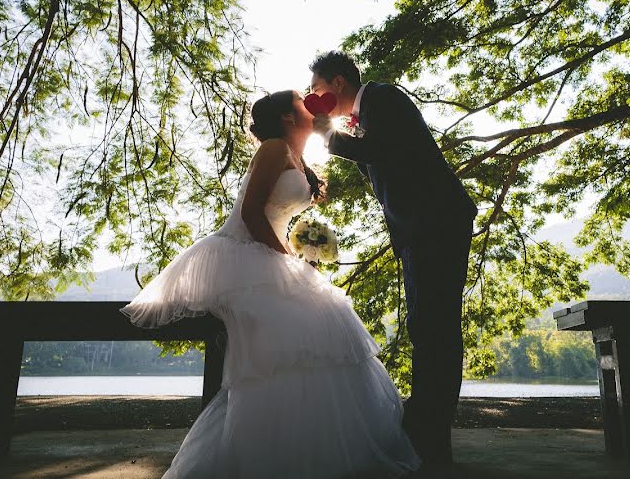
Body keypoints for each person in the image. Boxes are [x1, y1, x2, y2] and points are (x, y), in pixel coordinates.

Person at [119, 90, 421, 478]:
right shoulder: (274, 148)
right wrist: (286, 258)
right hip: (242, 252)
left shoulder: (298, 157)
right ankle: (269, 448)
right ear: (287, 118)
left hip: (271, 252)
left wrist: (303, 247)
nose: (308, 101)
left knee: (330, 318)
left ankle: (318, 442)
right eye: (300, 100)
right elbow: (250, 213)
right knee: (294, 329)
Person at [309, 51, 477, 471]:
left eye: (317, 88)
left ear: (339, 83)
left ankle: (432, 434)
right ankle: (426, 429)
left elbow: (384, 151)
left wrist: (325, 135)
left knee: (436, 327)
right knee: (427, 326)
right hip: (420, 233)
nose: (315, 95)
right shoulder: (365, 118)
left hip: (437, 226)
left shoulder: (384, 98)